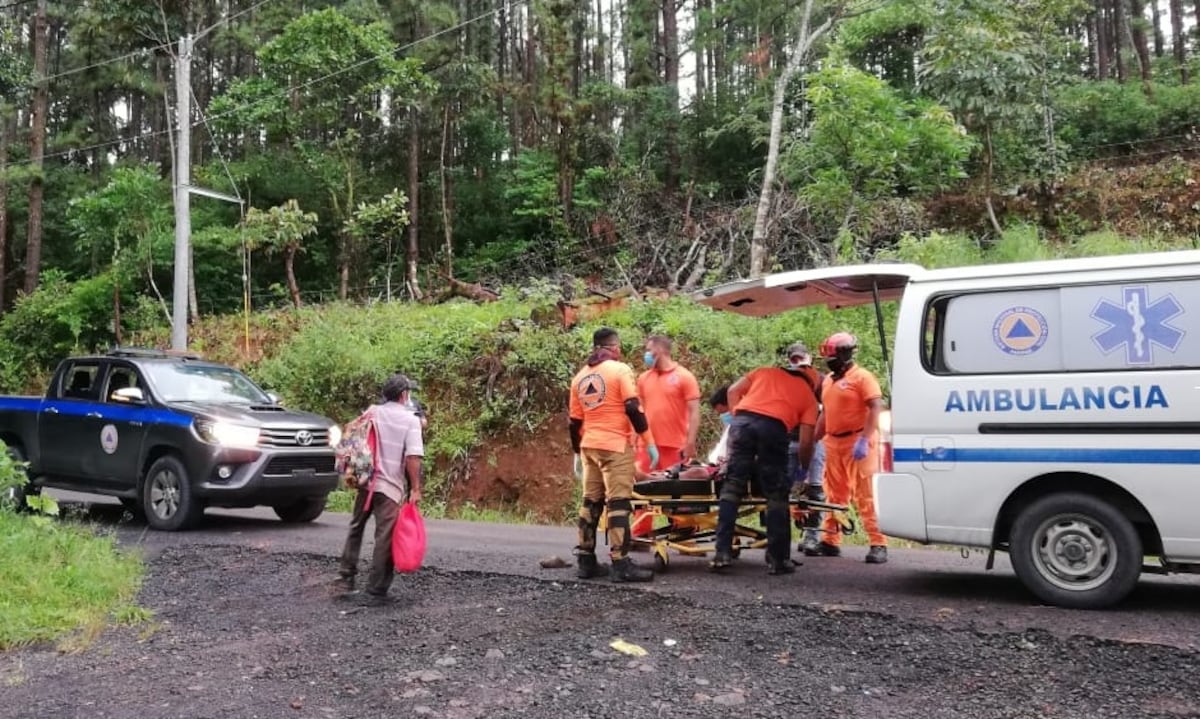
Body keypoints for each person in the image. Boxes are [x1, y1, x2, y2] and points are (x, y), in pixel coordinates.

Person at [710, 345, 820, 575]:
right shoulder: (808, 397)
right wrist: (803, 467)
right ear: (812, 382)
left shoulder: (764, 372)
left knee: (732, 489)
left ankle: (721, 553)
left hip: (742, 425)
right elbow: (807, 442)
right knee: (776, 495)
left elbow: (732, 391)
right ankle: (778, 560)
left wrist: (738, 414)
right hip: (773, 429)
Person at [568, 327, 658, 583]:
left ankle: (585, 560)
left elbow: (574, 422)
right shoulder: (620, 370)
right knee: (619, 502)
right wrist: (648, 441)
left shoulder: (580, 377)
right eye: (618, 346)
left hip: (589, 446)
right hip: (614, 445)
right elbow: (632, 406)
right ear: (613, 347)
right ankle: (620, 563)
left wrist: (577, 450)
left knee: (590, 502)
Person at [334, 373, 426, 604]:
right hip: (389, 487)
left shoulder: (373, 411)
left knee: (356, 526)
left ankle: (346, 576)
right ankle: (376, 589)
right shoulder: (411, 420)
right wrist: (415, 488)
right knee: (384, 536)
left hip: (366, 480)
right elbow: (412, 457)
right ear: (405, 395)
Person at [815, 332, 888, 564]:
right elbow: (825, 413)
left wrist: (865, 439)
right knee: (834, 494)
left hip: (858, 441)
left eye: (832, 355)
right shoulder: (828, 380)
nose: (829, 360)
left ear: (844, 354)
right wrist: (813, 441)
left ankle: (878, 543)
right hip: (832, 442)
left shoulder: (862, 377)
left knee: (865, 494)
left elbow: (876, 406)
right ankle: (830, 541)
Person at [631, 335, 701, 538]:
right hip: (648, 445)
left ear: (660, 351)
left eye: (648, 350)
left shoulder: (684, 376)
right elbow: (639, 409)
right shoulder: (644, 378)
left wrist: (690, 441)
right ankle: (641, 532)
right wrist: (635, 436)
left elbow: (695, 411)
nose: (646, 354)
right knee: (641, 489)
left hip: (675, 445)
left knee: (678, 491)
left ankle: (684, 533)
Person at [779, 343, 829, 556]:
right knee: (785, 490)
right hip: (788, 440)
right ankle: (782, 536)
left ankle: (812, 535)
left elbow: (828, 410)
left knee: (814, 488)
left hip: (814, 440)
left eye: (801, 358)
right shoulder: (783, 381)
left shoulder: (821, 380)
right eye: (794, 358)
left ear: (809, 358)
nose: (797, 362)